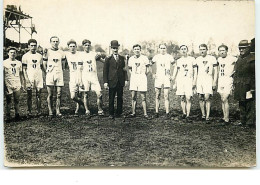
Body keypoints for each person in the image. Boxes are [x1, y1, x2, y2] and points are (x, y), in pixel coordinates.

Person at [103, 40, 128, 119]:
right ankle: (111, 113)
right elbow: (105, 71)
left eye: (116, 48)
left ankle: (119, 112)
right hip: (112, 81)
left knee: (120, 97)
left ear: (118, 48)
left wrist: (126, 79)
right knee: (111, 97)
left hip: (120, 81)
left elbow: (124, 70)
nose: (115, 49)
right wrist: (105, 82)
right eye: (113, 48)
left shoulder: (121, 58)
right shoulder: (108, 59)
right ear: (111, 48)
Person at [233, 40, 255, 127]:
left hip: (249, 85)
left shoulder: (252, 59)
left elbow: (254, 74)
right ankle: (243, 121)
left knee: (249, 103)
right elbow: (236, 72)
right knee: (241, 103)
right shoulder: (239, 59)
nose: (241, 50)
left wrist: (253, 87)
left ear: (248, 49)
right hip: (239, 84)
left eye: (243, 48)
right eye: (240, 48)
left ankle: (249, 122)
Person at [172, 45, 197, 122]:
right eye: (182, 49)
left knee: (188, 97)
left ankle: (188, 115)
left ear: (187, 50)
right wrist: (175, 82)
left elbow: (195, 72)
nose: (183, 50)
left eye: (185, 49)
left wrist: (194, 81)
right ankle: (184, 113)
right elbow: (177, 72)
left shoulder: (192, 59)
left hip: (189, 80)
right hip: (181, 80)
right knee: (182, 97)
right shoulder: (179, 61)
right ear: (180, 51)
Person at [43, 36, 66, 117]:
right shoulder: (47, 51)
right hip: (50, 74)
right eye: (53, 41)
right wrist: (47, 72)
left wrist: (61, 71)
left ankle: (58, 110)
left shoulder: (62, 53)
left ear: (59, 42)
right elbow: (44, 63)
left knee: (59, 94)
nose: (55, 43)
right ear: (50, 42)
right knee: (50, 94)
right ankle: (50, 111)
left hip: (59, 73)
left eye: (57, 41)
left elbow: (63, 64)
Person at [195, 44, 218, 123]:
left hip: (208, 79)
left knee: (207, 97)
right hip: (200, 79)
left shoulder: (212, 58)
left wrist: (214, 82)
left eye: (204, 49)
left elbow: (216, 71)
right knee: (200, 97)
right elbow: (195, 71)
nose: (202, 51)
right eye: (200, 49)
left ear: (207, 50)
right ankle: (203, 115)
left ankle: (208, 116)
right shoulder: (197, 59)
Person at [81, 39, 105, 116]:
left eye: (88, 45)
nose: (87, 46)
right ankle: (87, 110)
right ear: (83, 46)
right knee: (86, 94)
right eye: (85, 45)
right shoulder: (80, 55)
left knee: (99, 94)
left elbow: (103, 61)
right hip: (85, 76)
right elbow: (79, 68)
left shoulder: (94, 54)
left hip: (94, 76)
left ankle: (100, 109)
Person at [151, 43, 174, 118]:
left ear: (166, 49)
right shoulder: (156, 56)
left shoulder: (169, 56)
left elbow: (175, 65)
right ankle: (157, 112)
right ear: (159, 49)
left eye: (164, 48)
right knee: (157, 95)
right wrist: (153, 73)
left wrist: (171, 75)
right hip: (158, 77)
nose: (163, 49)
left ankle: (167, 112)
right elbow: (150, 64)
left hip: (166, 77)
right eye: (161, 48)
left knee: (166, 95)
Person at [22, 39, 44, 117]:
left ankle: (39, 111)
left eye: (35, 45)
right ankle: (29, 112)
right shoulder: (25, 56)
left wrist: (44, 77)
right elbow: (24, 69)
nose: (33, 47)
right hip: (30, 77)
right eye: (31, 45)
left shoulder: (40, 56)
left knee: (39, 94)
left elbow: (41, 67)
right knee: (29, 95)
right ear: (28, 46)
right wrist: (27, 80)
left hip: (38, 76)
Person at [128, 44, 150, 118]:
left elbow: (148, 69)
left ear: (140, 50)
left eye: (138, 49)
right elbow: (129, 68)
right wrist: (133, 75)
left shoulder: (144, 58)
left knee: (143, 97)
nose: (137, 50)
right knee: (133, 96)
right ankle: (133, 112)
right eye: (135, 49)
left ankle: (145, 113)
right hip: (134, 79)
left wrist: (144, 75)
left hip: (142, 78)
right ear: (133, 50)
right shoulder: (131, 59)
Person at [217, 44, 237, 125]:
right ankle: (224, 117)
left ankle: (227, 119)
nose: (222, 52)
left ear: (226, 51)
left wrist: (233, 73)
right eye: (220, 50)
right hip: (221, 79)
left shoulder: (232, 58)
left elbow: (238, 64)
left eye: (223, 50)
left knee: (225, 98)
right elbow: (218, 69)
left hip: (228, 79)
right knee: (222, 99)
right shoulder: (219, 59)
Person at [65, 40, 84, 116]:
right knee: (73, 96)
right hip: (72, 76)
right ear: (68, 47)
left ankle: (77, 109)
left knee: (79, 94)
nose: (72, 48)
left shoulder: (80, 54)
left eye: (74, 46)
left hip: (81, 75)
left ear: (76, 47)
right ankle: (83, 103)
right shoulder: (66, 54)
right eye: (71, 46)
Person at [4, 47, 24, 122]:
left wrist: (22, 83)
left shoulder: (19, 63)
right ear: (8, 53)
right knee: (8, 100)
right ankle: (8, 116)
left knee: (17, 100)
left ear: (16, 53)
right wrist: (4, 85)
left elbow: (21, 74)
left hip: (17, 82)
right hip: (8, 83)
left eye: (14, 52)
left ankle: (17, 115)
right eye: (11, 52)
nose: (13, 54)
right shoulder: (4, 62)